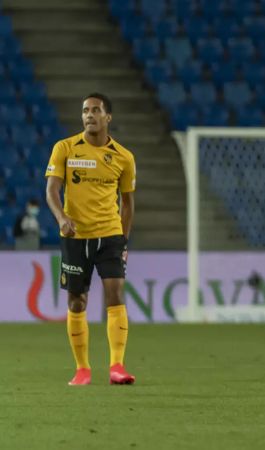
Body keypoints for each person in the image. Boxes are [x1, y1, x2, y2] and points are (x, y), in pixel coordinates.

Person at [45, 93, 137, 386]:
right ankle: (82, 369)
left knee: (115, 296)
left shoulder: (124, 157)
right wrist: (62, 218)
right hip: (75, 236)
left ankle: (117, 367)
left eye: (96, 110)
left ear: (107, 117)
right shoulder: (65, 148)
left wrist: (123, 240)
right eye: (85, 110)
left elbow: (128, 203)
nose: (89, 115)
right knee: (76, 302)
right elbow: (51, 190)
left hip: (109, 235)